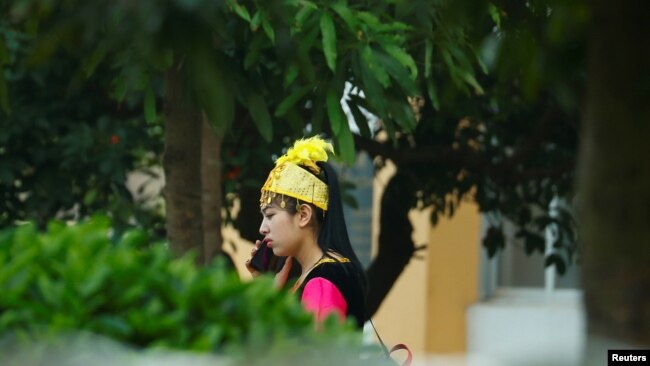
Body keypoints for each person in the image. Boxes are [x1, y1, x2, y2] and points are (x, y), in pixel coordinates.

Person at [245, 136, 367, 329]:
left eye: (270, 215)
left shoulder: (321, 282)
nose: (262, 228)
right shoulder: (326, 271)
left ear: (303, 215)